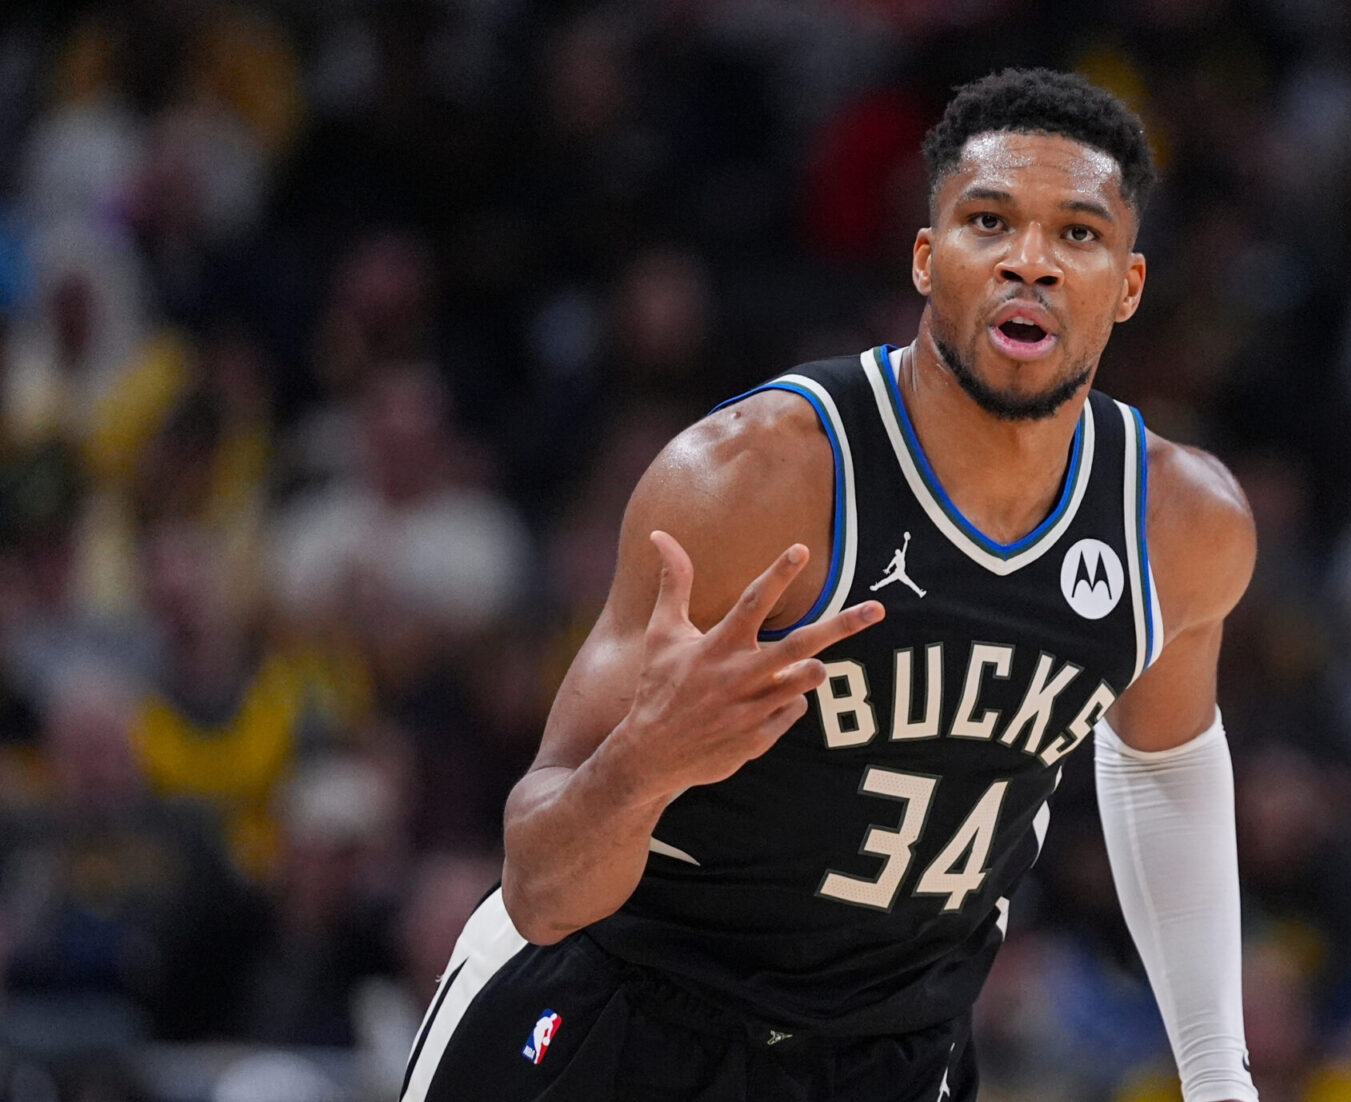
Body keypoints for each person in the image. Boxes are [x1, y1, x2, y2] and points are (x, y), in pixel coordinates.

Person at [400, 68, 1259, 1102]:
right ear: (926, 258)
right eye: (989, 222)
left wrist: (1218, 1076)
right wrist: (644, 764)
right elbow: (541, 887)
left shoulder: (1178, 522)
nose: (1028, 261)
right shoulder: (752, 479)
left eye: (1077, 233)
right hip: (620, 1006)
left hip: (888, 1054)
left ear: (1127, 284)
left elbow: (1163, 766)